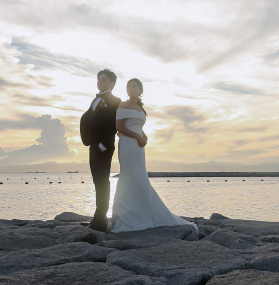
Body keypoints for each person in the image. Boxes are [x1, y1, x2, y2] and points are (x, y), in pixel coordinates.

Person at [110, 78, 198, 233]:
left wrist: (144, 137)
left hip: (139, 147)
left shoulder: (140, 109)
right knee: (129, 176)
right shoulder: (122, 105)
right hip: (128, 145)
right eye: (129, 86)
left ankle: (144, 212)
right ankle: (126, 216)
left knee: (140, 176)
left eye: (134, 86)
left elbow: (139, 126)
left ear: (140, 90)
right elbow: (119, 127)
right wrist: (137, 137)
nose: (131, 89)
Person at [79, 69, 121, 232]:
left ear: (112, 83)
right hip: (93, 145)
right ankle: (97, 218)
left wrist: (102, 146)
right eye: (99, 79)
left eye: (104, 80)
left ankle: (101, 221)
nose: (100, 82)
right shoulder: (95, 101)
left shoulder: (115, 101)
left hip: (103, 147)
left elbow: (112, 124)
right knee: (97, 180)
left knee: (103, 181)